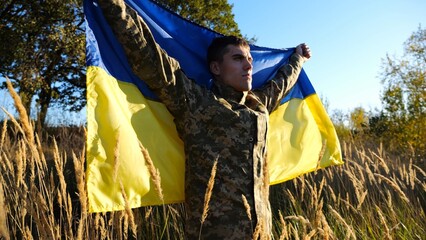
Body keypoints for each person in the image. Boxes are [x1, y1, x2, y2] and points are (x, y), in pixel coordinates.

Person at [98, 0, 311, 239]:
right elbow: (148, 56)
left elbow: (281, 84)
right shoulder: (197, 103)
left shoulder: (258, 106)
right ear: (216, 68)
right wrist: (113, 5)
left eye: (249, 59)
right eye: (238, 59)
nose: (248, 65)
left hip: (262, 233)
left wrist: (298, 60)